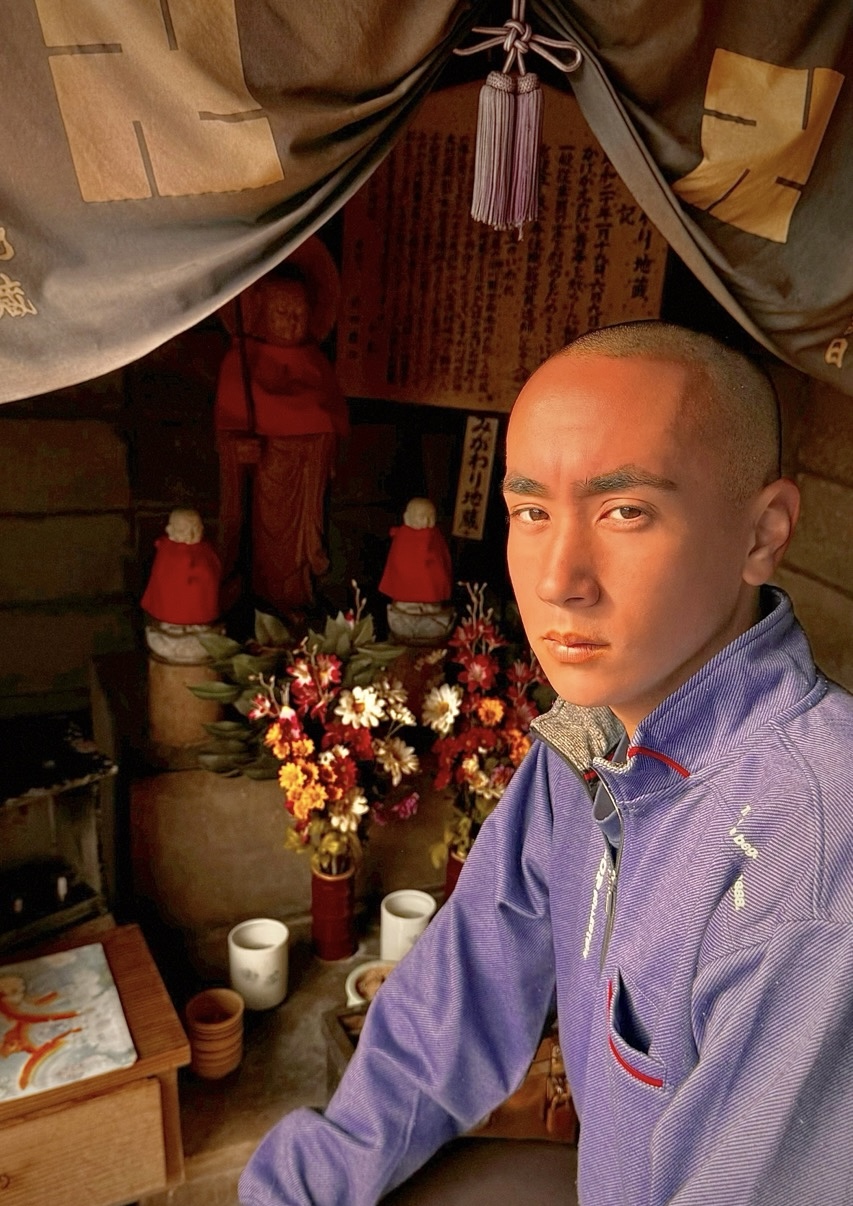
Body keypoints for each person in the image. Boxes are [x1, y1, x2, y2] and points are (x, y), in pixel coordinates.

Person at [238, 321, 853, 1205]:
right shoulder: (588, 742)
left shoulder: (811, 857)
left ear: (762, 533)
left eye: (624, 511)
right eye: (530, 513)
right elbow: (458, 997)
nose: (559, 579)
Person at [214, 237, 349, 617]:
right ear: (260, 314)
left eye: (299, 312)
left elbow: (332, 421)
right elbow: (227, 430)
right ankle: (262, 605)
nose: (291, 322)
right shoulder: (242, 363)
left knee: (301, 555)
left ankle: (299, 602)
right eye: (281, 312)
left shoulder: (317, 364)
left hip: (307, 483)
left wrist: (322, 447)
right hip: (265, 479)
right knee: (264, 549)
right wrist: (238, 448)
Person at [140, 507, 222, 626]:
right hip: (169, 611)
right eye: (182, 530)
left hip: (199, 610)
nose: (192, 535)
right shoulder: (167, 551)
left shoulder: (205, 551)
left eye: (197, 528)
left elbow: (213, 573)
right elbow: (161, 579)